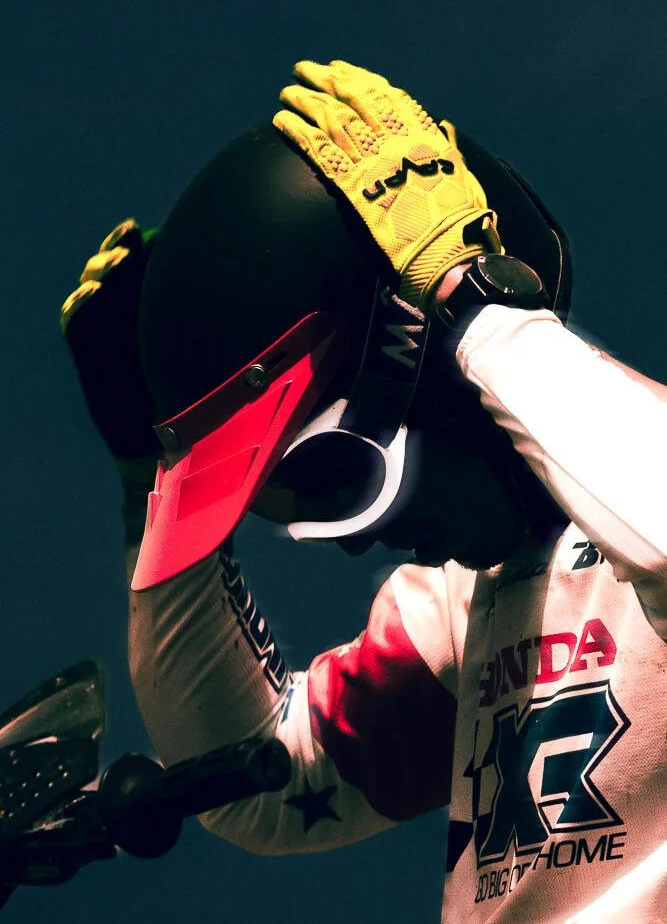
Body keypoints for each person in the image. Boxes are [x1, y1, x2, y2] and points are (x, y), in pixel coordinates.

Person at [61, 61, 666, 922]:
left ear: (434, 371)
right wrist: (162, 486)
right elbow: (257, 782)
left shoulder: (639, 492)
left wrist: (467, 295)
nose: (348, 540)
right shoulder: (472, 605)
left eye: (336, 478)